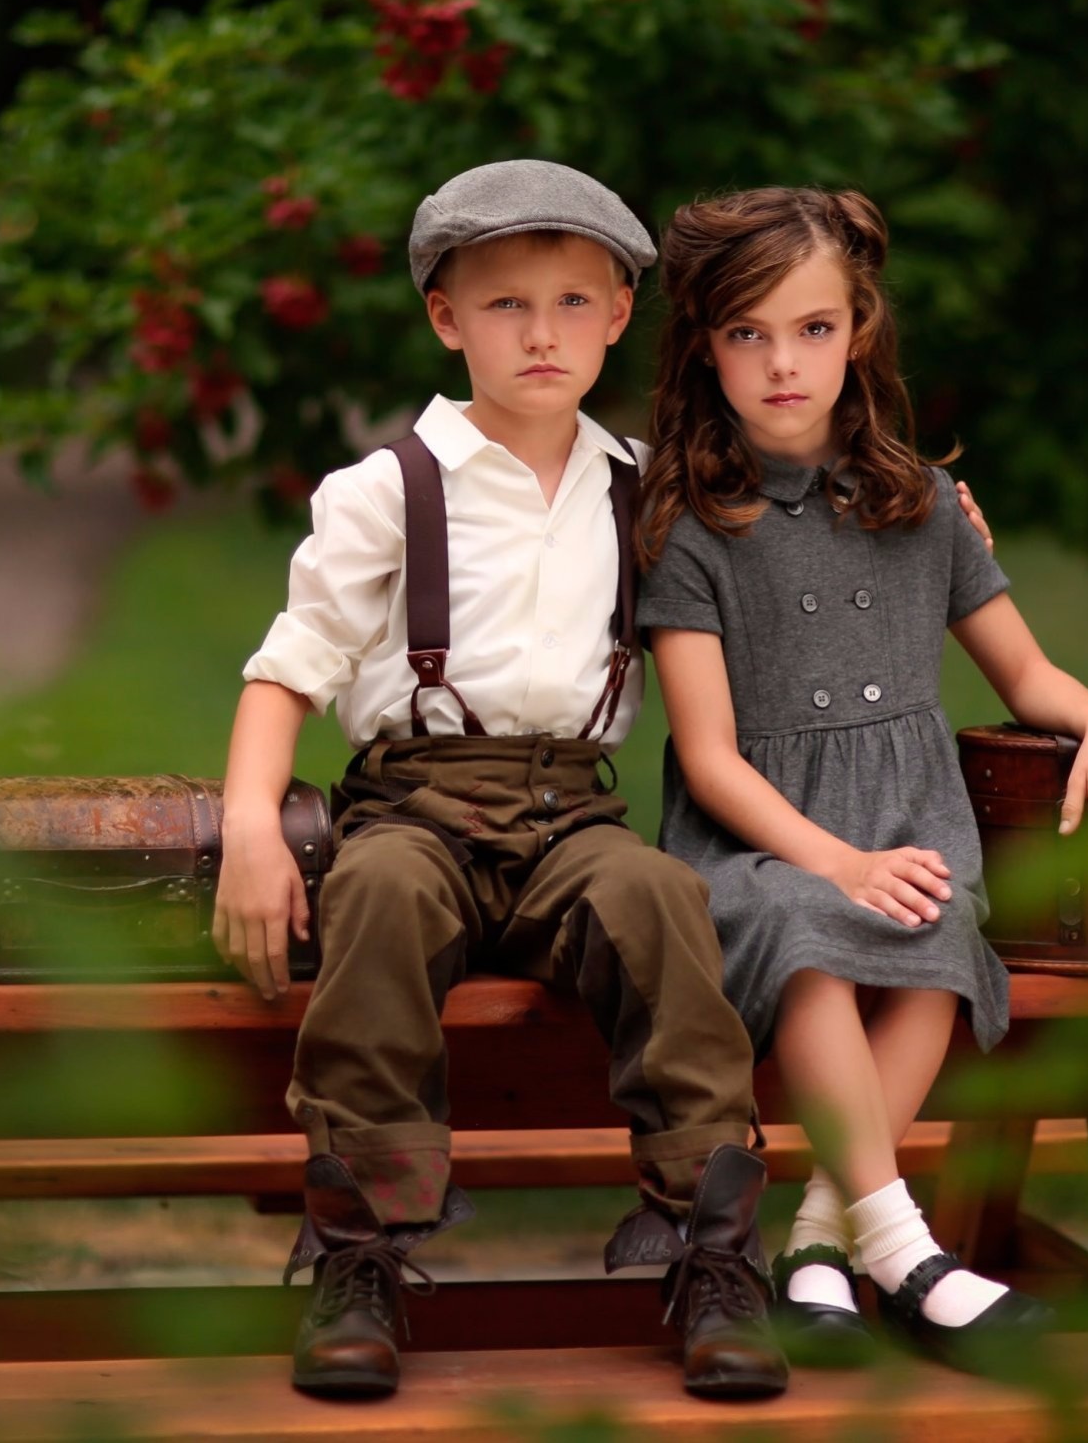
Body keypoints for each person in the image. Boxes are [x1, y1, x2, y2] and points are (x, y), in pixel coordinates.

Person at [214, 160, 787, 1401]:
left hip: (572, 807)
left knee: (657, 900)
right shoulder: (388, 491)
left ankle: (713, 1249)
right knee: (374, 898)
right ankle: (363, 1251)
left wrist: (940, 517)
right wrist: (252, 827)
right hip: (414, 800)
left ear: (622, 315)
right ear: (445, 317)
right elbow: (288, 668)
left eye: (576, 303)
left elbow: (804, 515)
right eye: (506, 305)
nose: (542, 334)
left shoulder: (646, 485)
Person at [636, 187, 1088, 1371]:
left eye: (813, 330)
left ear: (859, 330)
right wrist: (836, 862)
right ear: (705, 343)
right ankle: (910, 1256)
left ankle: (819, 1242)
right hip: (759, 844)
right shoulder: (689, 524)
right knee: (818, 934)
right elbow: (708, 756)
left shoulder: (923, 503)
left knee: (932, 933)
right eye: (747, 334)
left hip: (910, 817)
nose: (783, 364)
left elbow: (1023, 673)